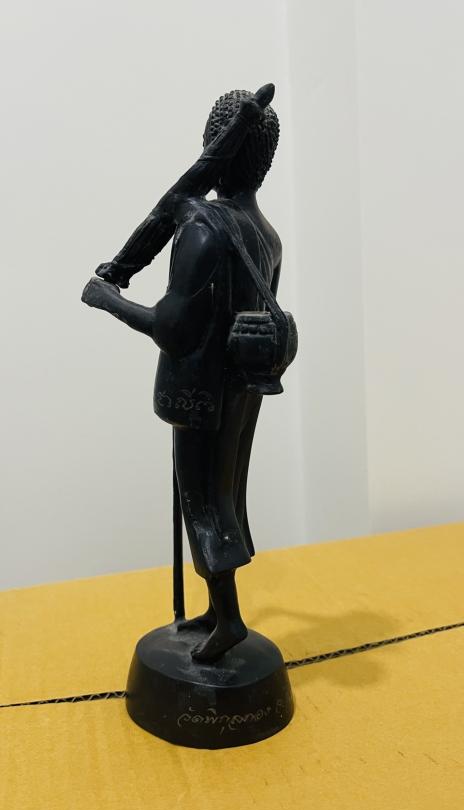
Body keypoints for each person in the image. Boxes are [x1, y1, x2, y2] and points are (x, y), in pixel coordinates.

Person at [82, 86, 283, 662]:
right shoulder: (266, 233)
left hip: (200, 391)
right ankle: (218, 609)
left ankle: (230, 620)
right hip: (241, 388)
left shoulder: (202, 226)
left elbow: (173, 327)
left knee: (203, 501)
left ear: (213, 145)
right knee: (226, 491)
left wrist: (106, 298)